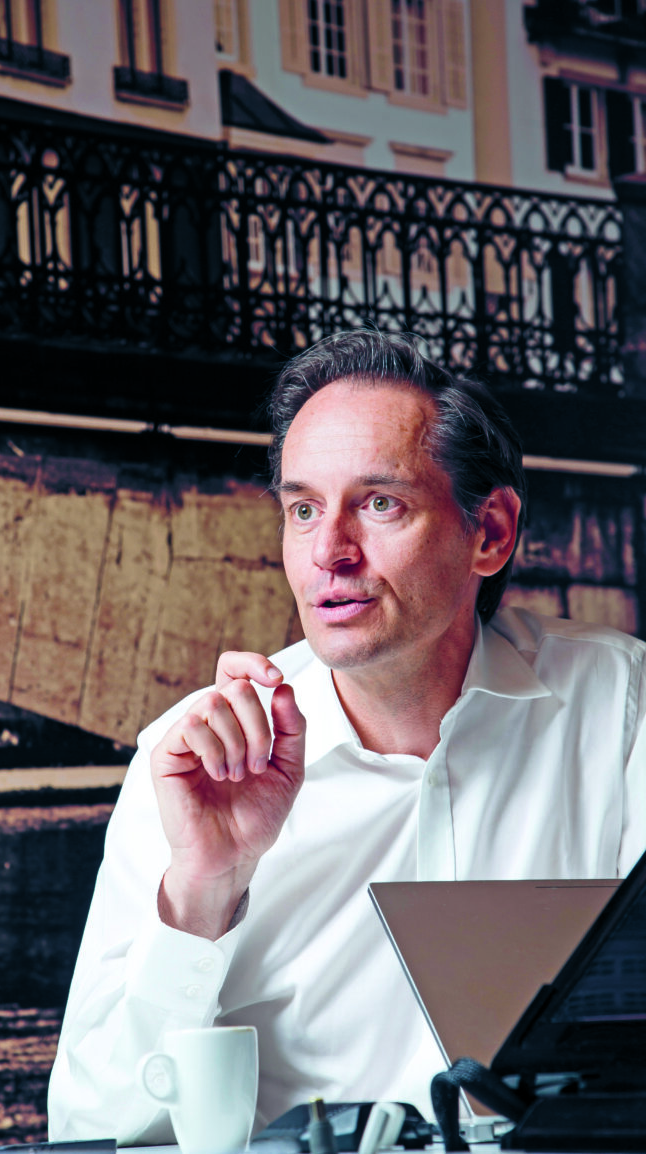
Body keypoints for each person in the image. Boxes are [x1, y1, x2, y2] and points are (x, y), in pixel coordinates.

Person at [47, 330, 646, 1145]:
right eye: (303, 509)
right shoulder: (187, 768)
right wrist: (204, 890)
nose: (329, 552)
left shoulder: (622, 712)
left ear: (490, 533)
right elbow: (95, 1130)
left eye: (379, 503)